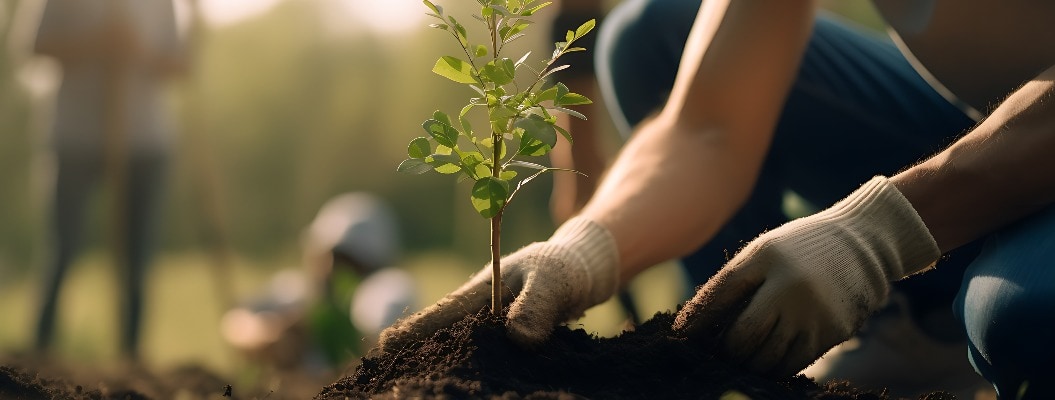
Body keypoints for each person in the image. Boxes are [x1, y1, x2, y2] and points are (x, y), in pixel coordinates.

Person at [380, 1, 1055, 399]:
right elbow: (709, 125)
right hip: (976, 117)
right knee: (656, 36)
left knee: (1022, 316)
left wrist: (876, 233)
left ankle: (940, 282)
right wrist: (581, 251)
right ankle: (917, 316)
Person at [26, 0, 186, 360]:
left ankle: (131, 358)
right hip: (76, 136)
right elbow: (37, 45)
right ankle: (37, 354)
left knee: (137, 257)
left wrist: (138, 51)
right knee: (61, 248)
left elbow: (180, 63)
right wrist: (96, 44)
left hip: (144, 139)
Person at [221, 193, 415, 374]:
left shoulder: (385, 290)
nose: (333, 269)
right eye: (330, 256)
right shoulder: (297, 292)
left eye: (347, 261)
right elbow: (235, 322)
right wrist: (268, 336)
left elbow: (384, 318)